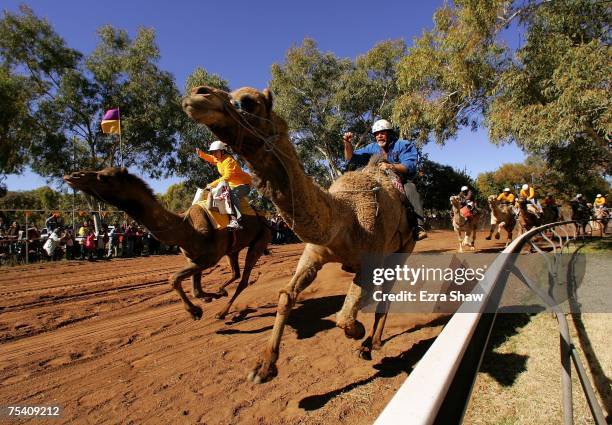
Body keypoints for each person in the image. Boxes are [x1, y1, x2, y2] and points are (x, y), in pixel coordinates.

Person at [343, 119, 426, 240]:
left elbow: (410, 165)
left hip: (400, 180)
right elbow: (350, 157)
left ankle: (419, 226)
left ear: (389, 133)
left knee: (411, 188)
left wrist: (390, 166)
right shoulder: (372, 147)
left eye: (382, 133)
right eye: (376, 134)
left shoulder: (404, 145)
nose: (379, 136)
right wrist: (347, 143)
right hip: (378, 179)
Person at [196, 140, 253, 230]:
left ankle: (236, 220)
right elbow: (210, 158)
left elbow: (227, 176)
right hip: (232, 185)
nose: (214, 154)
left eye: (216, 152)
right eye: (213, 152)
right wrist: (201, 154)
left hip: (244, 185)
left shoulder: (229, 161)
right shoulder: (218, 159)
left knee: (232, 194)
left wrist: (211, 184)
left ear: (222, 151)